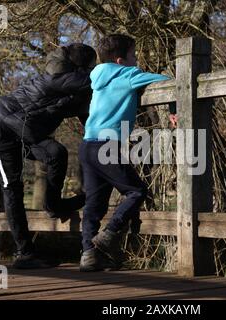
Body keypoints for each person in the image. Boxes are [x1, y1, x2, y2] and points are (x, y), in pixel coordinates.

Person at [0, 43, 96, 269]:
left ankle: (53, 205)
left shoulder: (75, 89)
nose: (96, 70)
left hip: (25, 134)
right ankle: (24, 252)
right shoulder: (58, 78)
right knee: (12, 187)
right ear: (81, 67)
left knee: (56, 153)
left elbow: (88, 119)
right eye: (93, 66)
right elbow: (98, 82)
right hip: (1, 129)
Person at [78, 34, 177, 271]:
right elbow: (169, 81)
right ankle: (108, 235)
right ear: (121, 60)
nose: (137, 60)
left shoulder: (96, 77)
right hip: (107, 145)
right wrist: (174, 108)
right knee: (136, 191)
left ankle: (88, 255)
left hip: (87, 145)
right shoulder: (127, 74)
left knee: (94, 204)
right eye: (133, 55)